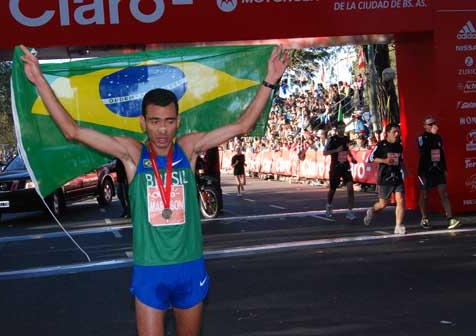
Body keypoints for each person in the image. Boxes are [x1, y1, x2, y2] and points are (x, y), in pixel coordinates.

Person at [20, 44, 289, 336]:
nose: (162, 130)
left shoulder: (188, 149)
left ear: (178, 122)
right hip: (150, 271)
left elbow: (242, 125)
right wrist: (39, 80)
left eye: (169, 122)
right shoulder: (133, 155)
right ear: (143, 122)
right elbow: (72, 131)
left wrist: (270, 80)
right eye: (155, 122)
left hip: (189, 268)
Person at [417, 116, 461, 230]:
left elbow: (440, 153)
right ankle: (424, 218)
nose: (433, 126)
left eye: (434, 123)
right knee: (424, 195)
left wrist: (444, 168)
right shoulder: (422, 138)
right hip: (425, 170)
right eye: (430, 124)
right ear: (425, 126)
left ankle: (450, 218)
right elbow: (425, 150)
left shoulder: (438, 137)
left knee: (444, 193)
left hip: (438, 169)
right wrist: (433, 135)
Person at [363, 123, 407, 235]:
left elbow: (401, 160)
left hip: (397, 176)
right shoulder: (381, 145)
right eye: (394, 132)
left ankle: (399, 225)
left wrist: (404, 171)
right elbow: (370, 158)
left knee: (401, 200)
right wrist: (384, 161)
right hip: (384, 177)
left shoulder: (399, 146)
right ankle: (372, 211)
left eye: (398, 132)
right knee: (383, 204)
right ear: (387, 133)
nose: (397, 134)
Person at [323, 121, 357, 220]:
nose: (342, 130)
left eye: (343, 127)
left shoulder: (346, 138)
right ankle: (329, 205)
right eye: (340, 128)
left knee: (350, 188)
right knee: (333, 189)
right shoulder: (332, 139)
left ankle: (350, 211)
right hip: (335, 166)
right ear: (337, 129)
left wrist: (351, 158)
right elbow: (324, 152)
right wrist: (336, 150)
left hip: (345, 166)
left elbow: (347, 149)